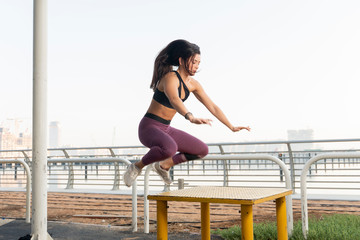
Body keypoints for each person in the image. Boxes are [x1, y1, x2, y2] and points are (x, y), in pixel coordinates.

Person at [123, 39, 250, 187]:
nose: (196, 66)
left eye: (198, 63)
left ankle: (164, 165)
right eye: (193, 62)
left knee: (202, 150)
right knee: (170, 148)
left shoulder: (193, 84)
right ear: (181, 61)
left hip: (166, 129)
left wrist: (231, 126)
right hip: (148, 128)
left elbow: (212, 106)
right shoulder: (170, 78)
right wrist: (190, 117)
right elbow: (174, 99)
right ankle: (136, 166)